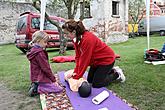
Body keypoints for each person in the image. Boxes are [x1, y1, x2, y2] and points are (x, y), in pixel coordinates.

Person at [62, 19, 125, 88]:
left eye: (66, 33)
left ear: (73, 32)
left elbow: (85, 60)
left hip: (106, 60)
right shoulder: (76, 39)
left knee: (97, 84)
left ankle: (117, 74)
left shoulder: (87, 39)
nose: (65, 36)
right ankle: (110, 71)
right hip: (96, 62)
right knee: (90, 80)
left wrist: (77, 77)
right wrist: (75, 73)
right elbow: (78, 57)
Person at [26, 31, 63, 96]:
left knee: (54, 83)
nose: (46, 44)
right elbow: (46, 68)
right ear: (38, 41)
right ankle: (37, 89)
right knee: (59, 89)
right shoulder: (39, 53)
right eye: (45, 42)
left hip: (35, 77)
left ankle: (36, 84)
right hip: (40, 78)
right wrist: (53, 79)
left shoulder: (33, 50)